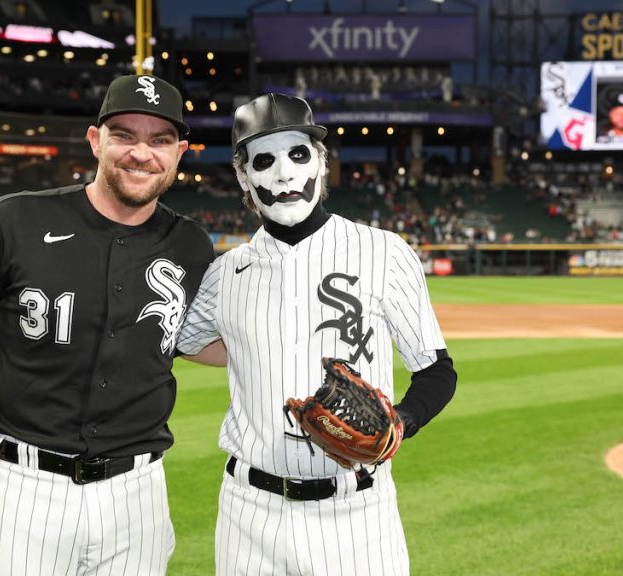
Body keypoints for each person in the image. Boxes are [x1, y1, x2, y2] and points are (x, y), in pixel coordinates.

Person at [0, 74, 223, 576]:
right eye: (124, 134)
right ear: (96, 140)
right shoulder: (13, 221)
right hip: (26, 491)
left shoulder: (191, 245)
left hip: (138, 496)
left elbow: (196, 339)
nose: (141, 153)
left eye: (160, 140)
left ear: (180, 151)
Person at [177, 93, 458, 575]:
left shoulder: (383, 252)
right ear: (245, 177)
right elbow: (184, 341)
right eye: (264, 160)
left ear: (321, 162)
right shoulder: (225, 274)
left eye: (298, 154)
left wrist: (400, 424)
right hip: (249, 513)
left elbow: (437, 371)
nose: (284, 174)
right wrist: (251, 353)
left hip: (358, 514)